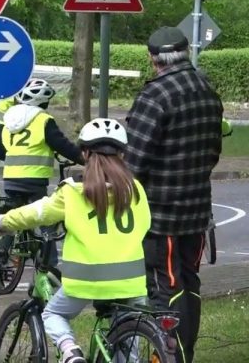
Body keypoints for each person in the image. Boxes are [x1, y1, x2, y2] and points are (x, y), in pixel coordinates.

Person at [0, 118, 151, 363]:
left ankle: (70, 353)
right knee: (128, 351)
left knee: (52, 313)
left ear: (85, 153)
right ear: (122, 154)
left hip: (86, 280)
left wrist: (2, 222)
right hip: (131, 281)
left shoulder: (74, 191)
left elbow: (37, 212)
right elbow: (145, 225)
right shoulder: (135, 189)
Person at [124, 26, 223, 363]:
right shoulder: (206, 89)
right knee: (189, 282)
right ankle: (185, 354)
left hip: (160, 214)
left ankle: (170, 357)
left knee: (165, 287)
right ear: (183, 53)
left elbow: (133, 161)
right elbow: (213, 152)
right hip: (197, 211)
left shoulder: (155, 95)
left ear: (154, 60)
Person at [0, 78, 84, 268]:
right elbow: (61, 145)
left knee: (15, 214)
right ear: (43, 102)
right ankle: (50, 265)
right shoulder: (43, 120)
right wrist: (84, 159)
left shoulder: (8, 121)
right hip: (34, 179)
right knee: (46, 220)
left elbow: (0, 148)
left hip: (11, 177)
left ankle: (3, 249)